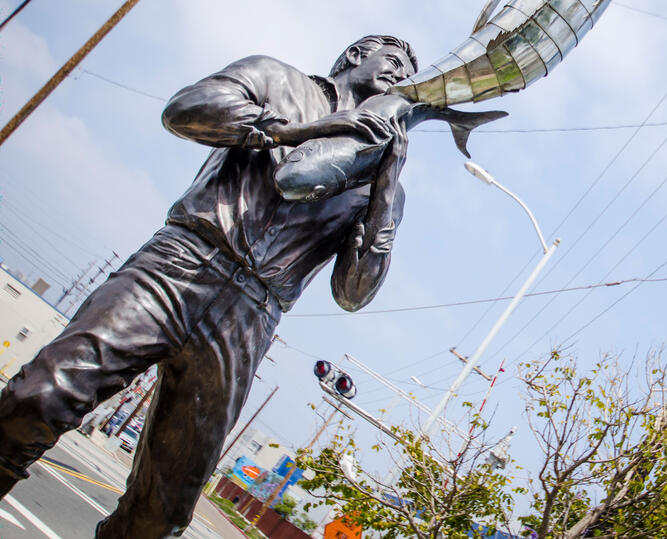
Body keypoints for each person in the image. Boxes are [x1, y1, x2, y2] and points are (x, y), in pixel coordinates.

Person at [0, 34, 418, 537]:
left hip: (250, 317)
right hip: (182, 263)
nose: (401, 76)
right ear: (356, 55)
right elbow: (187, 110)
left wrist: (389, 176)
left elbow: (353, 293)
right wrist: (302, 130)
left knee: (166, 505)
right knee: (39, 396)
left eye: (407, 73)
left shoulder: (384, 179)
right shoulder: (275, 77)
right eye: (393, 62)